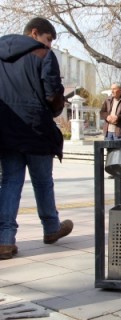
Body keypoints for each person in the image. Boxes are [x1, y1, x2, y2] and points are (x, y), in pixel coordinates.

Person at [0, 17, 74, 260]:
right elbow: (53, 93)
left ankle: (5, 239)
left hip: (6, 128)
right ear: (35, 33)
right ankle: (51, 227)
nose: (50, 44)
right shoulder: (42, 55)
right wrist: (53, 111)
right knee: (43, 180)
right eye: (48, 38)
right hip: (36, 126)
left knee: (10, 181)